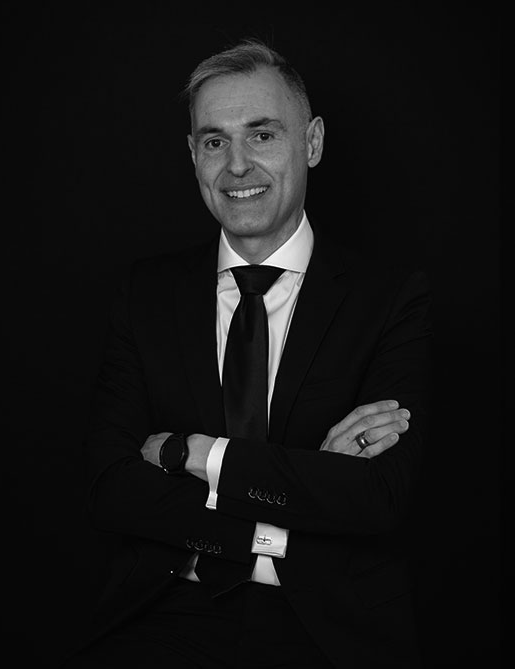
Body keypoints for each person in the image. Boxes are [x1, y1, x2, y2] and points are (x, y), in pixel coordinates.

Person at [63, 39, 432, 668]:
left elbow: (376, 496)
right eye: (215, 141)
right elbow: (110, 487)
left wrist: (193, 454)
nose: (237, 166)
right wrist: (299, 496)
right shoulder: (145, 292)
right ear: (193, 155)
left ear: (311, 143)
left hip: (328, 625)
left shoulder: (390, 299)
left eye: (262, 135)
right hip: (164, 611)